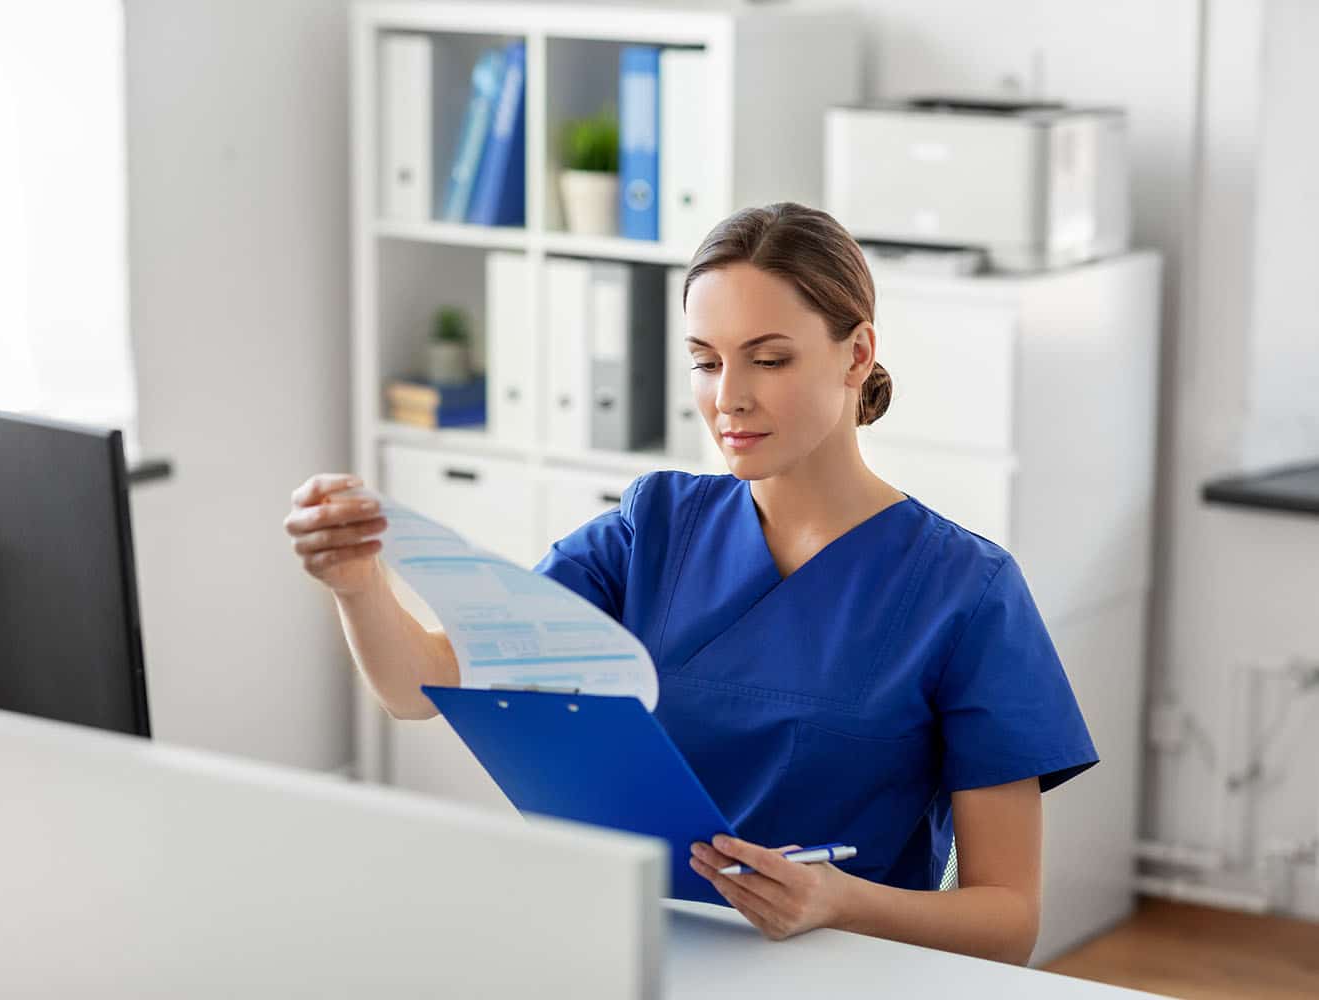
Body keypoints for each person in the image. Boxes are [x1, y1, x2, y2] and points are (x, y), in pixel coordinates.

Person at [284, 202, 1097, 965]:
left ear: (857, 354)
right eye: (706, 363)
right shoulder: (656, 525)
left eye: (769, 359)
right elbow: (423, 685)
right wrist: (358, 584)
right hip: (643, 955)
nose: (728, 399)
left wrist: (839, 901)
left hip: (841, 973)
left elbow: (1007, 922)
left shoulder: (966, 590)